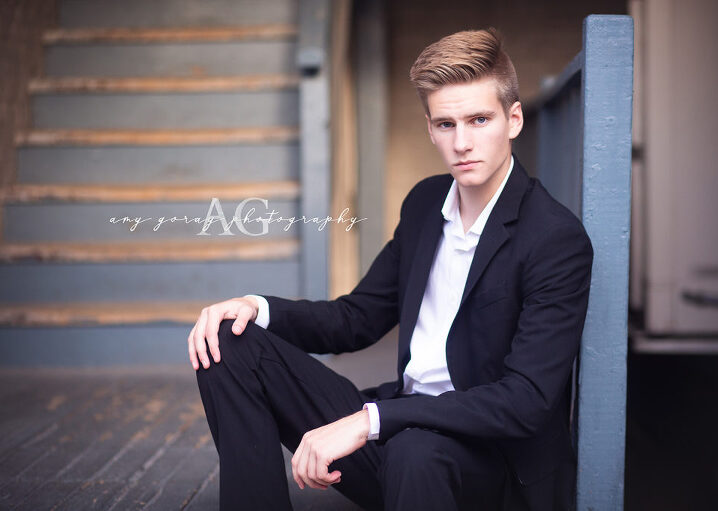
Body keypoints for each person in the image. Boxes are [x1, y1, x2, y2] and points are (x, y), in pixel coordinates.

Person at [189, 27, 593, 511]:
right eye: (446, 124)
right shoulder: (425, 204)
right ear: (430, 129)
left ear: (514, 120)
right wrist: (256, 307)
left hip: (487, 463)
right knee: (228, 341)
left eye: (479, 120)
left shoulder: (553, 238)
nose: (462, 142)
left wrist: (371, 421)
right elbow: (356, 318)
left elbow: (525, 400)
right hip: (398, 429)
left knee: (415, 450)